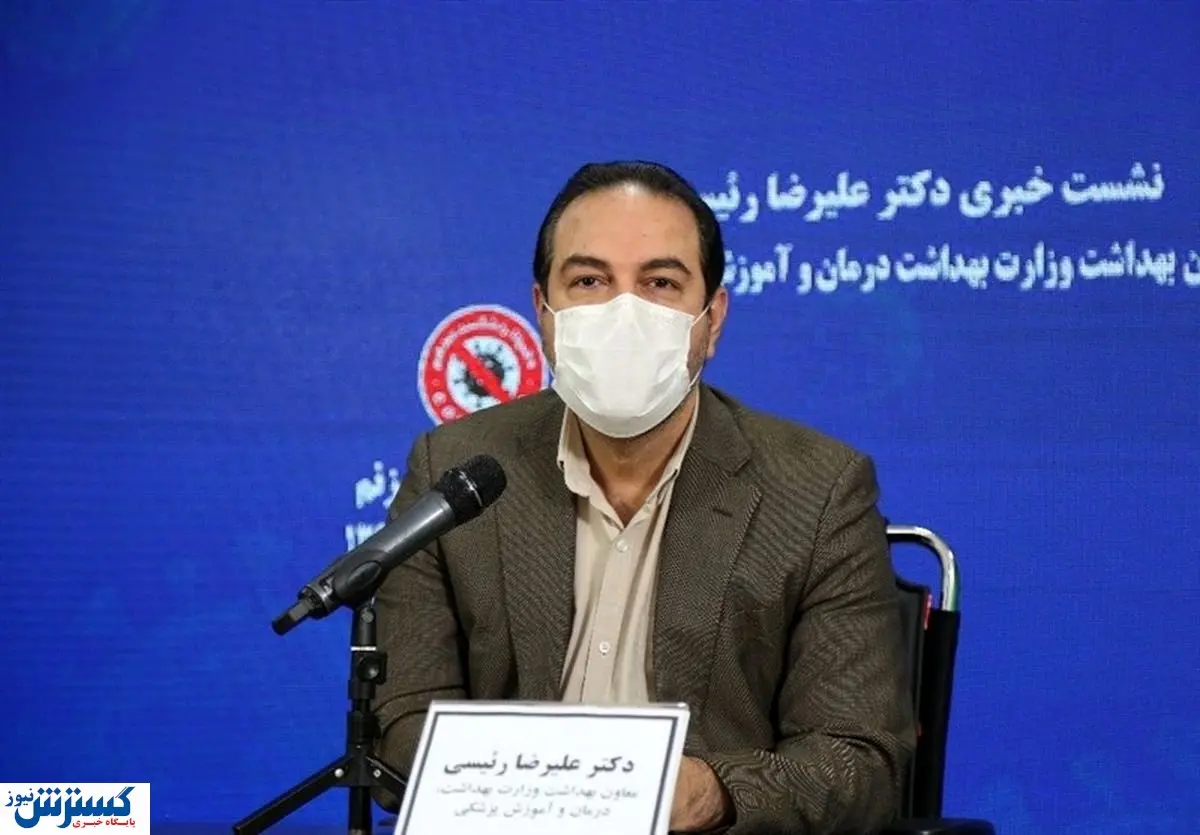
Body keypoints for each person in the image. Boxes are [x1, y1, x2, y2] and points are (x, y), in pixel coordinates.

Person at [373, 161, 916, 833]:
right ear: (542, 312)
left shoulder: (817, 490)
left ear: (712, 319)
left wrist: (710, 793)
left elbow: (858, 763)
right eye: (589, 281)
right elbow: (402, 721)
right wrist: (532, 793)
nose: (622, 314)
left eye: (660, 283)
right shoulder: (454, 471)